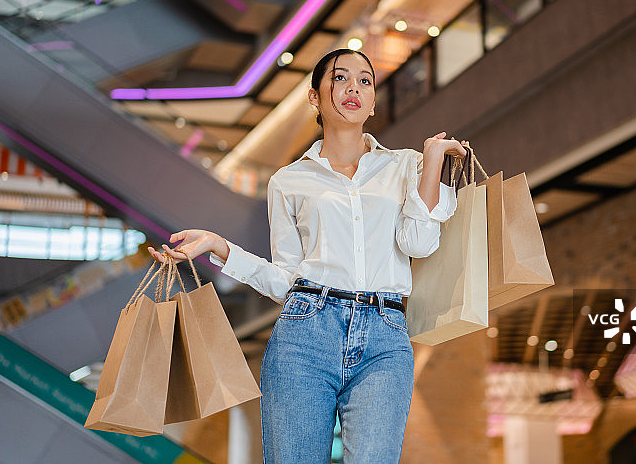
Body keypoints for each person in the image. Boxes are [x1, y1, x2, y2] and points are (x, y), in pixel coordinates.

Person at [148, 48, 467, 463]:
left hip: (385, 335)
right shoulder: (289, 181)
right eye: (340, 77)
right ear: (314, 96)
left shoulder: (406, 165)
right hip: (305, 332)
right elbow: (287, 279)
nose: (353, 88)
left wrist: (432, 162)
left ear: (373, 102)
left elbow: (418, 244)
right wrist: (218, 246)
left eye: (365, 81)